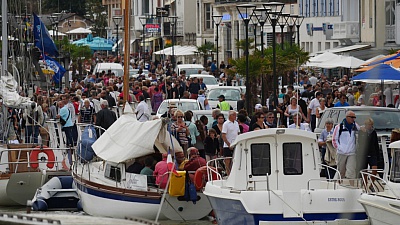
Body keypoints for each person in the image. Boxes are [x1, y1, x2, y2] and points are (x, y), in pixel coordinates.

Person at [332, 111, 360, 185]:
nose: (353, 119)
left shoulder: (355, 126)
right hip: (341, 152)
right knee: (341, 171)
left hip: (352, 152)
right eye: (352, 117)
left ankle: (352, 186)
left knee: (351, 171)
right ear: (347, 117)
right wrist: (340, 148)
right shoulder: (339, 127)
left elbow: (360, 133)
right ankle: (339, 184)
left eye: (354, 117)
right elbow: (334, 139)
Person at [357, 118, 380, 188]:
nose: (369, 126)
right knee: (364, 171)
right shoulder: (361, 132)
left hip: (372, 153)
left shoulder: (373, 132)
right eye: (367, 124)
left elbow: (376, 144)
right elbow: (359, 142)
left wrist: (378, 154)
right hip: (364, 153)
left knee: (374, 168)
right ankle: (365, 184)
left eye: (370, 125)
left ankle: (371, 184)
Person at [221, 110, 240, 174]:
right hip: (227, 145)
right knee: (227, 161)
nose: (235, 117)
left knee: (234, 160)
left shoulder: (236, 123)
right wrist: (229, 144)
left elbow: (238, 133)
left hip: (235, 144)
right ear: (230, 116)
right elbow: (223, 135)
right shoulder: (226, 124)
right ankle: (228, 173)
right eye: (234, 115)